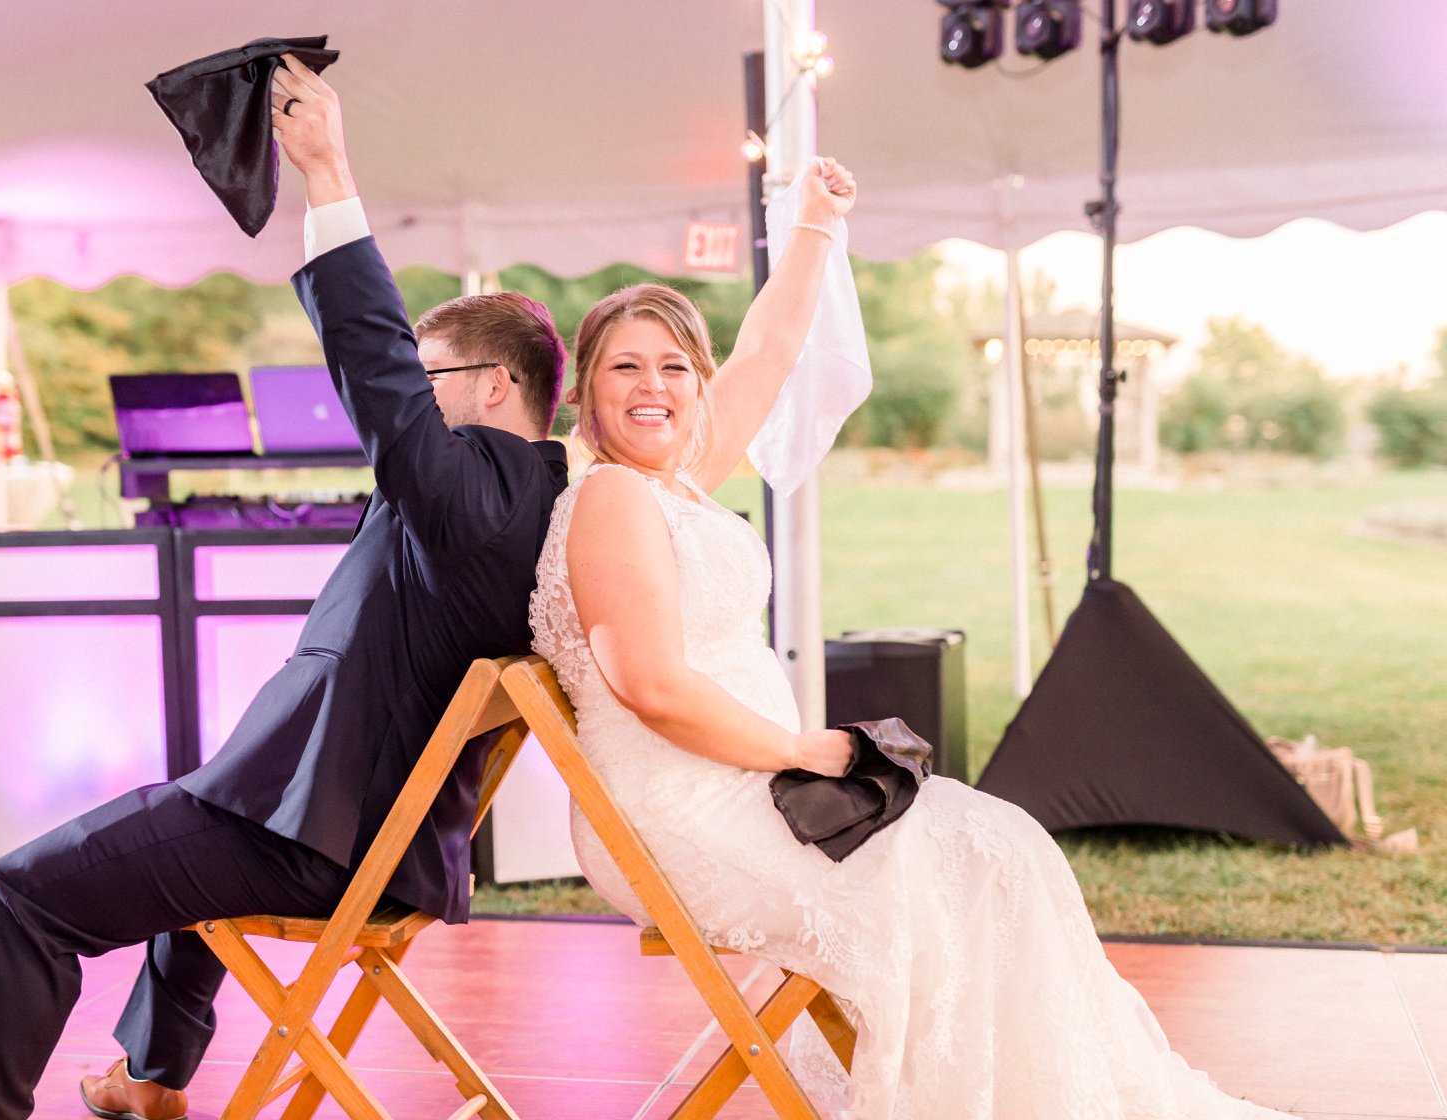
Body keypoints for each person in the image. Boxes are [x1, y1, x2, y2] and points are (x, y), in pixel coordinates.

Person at [528, 167, 1298, 1116]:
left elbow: (769, 350)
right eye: (626, 367)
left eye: (675, 366)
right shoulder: (611, 497)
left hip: (747, 782)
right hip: (679, 810)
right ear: (589, 392)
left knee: (1002, 850)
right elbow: (650, 685)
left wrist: (816, 222)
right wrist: (808, 751)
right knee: (972, 869)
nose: (654, 387)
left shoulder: (675, 480)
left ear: (697, 383)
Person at [0, 57, 569, 1120]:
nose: (403, 396)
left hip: (324, 845)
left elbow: (374, 368)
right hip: (320, 817)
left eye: (425, 374)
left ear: (492, 388)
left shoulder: (486, 486)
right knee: (193, 806)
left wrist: (327, 174)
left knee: (19, 894)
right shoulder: (526, 497)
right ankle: (151, 1079)